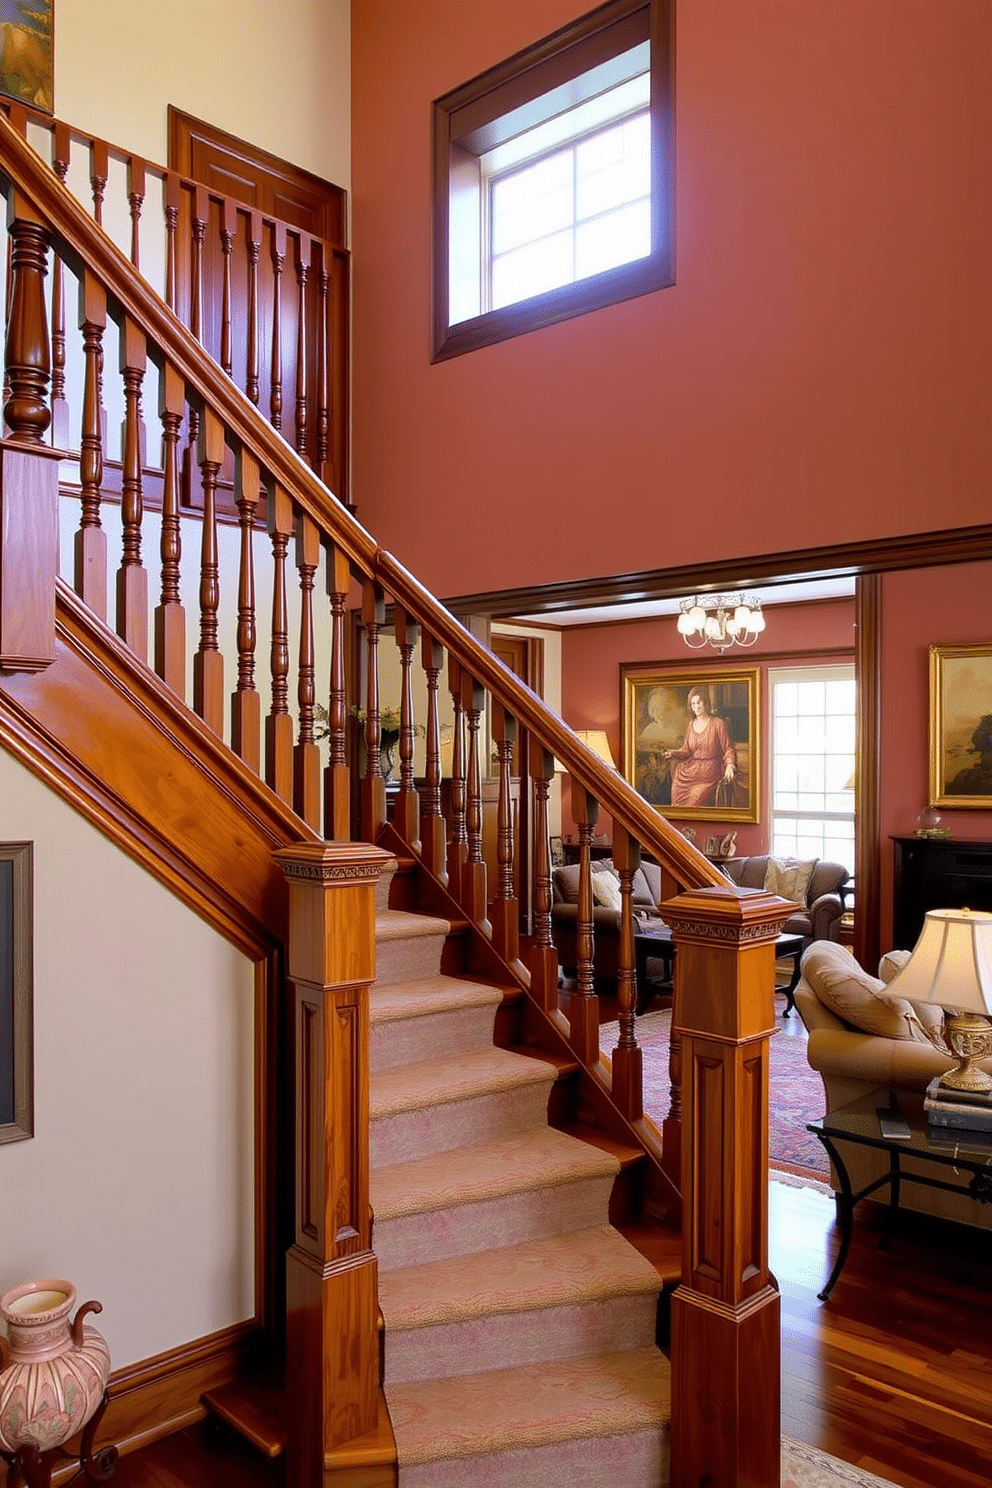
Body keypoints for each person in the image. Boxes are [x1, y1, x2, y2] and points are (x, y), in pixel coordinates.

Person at [662, 686, 737, 808]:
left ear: (705, 703)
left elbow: (728, 749)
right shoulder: (691, 725)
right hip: (691, 771)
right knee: (677, 782)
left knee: (695, 798)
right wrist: (673, 754)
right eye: (693, 704)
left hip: (710, 772)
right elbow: (686, 751)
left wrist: (729, 766)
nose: (696, 706)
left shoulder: (718, 723)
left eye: (699, 702)